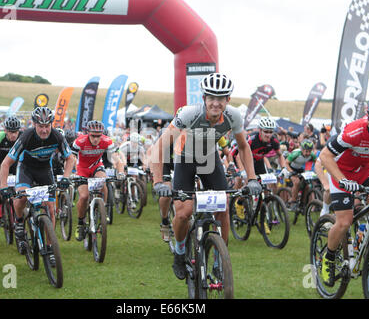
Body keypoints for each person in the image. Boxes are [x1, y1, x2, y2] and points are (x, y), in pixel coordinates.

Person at [151, 73, 261, 280]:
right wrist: (158, 182)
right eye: (211, 97)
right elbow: (160, 147)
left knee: (223, 207)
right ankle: (180, 252)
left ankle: (220, 260)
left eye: (221, 99)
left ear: (228, 100)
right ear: (204, 98)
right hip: (185, 158)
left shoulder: (234, 116)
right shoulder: (188, 114)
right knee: (184, 212)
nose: (216, 103)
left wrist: (252, 178)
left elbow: (244, 147)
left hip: (210, 159)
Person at [319, 97, 369, 287]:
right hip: (341, 171)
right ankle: (329, 258)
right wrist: (343, 181)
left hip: (366, 168)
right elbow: (325, 156)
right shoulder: (354, 131)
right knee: (345, 222)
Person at [0, 107, 75, 261]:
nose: (45, 130)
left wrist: (66, 177)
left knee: (51, 209)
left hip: (45, 170)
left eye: (47, 126)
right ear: (34, 124)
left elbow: (70, 158)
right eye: (41, 126)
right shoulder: (26, 136)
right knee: (21, 197)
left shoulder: (57, 136)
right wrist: (4, 186)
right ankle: (19, 221)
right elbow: (6, 163)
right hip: (26, 169)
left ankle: (49, 247)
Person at [72, 120, 124, 241]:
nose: (96, 139)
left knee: (103, 180)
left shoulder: (107, 141)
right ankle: (80, 223)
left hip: (96, 166)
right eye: (93, 136)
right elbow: (72, 158)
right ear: (88, 133)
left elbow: (116, 159)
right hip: (82, 169)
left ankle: (103, 209)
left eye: (98, 136)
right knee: (84, 196)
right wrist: (73, 172)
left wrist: (120, 172)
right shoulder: (79, 141)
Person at [282, 139, 317, 209]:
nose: (308, 153)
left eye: (310, 151)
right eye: (306, 151)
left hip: (299, 168)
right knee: (297, 182)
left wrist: (316, 172)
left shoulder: (312, 155)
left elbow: (317, 163)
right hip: (289, 168)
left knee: (307, 186)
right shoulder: (296, 153)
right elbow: (286, 163)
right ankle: (293, 201)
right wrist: (291, 172)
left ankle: (303, 203)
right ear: (302, 149)